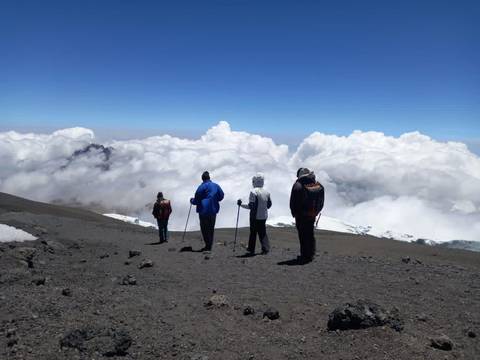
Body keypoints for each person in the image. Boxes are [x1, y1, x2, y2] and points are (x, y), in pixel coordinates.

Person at [289, 168, 324, 263]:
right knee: (310, 234)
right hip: (312, 214)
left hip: (301, 215)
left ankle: (305, 255)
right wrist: (316, 211)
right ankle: (311, 254)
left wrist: (294, 212)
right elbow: (321, 201)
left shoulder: (298, 185)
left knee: (303, 235)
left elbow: (293, 201)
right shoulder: (318, 185)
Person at [237, 173, 272, 256]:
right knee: (262, 232)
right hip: (264, 216)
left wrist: (240, 205)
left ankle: (251, 249)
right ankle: (265, 248)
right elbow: (269, 205)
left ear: (254, 181)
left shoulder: (253, 192)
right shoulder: (267, 192)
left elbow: (251, 206)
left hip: (255, 216)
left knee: (253, 232)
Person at [190, 171, 224, 252]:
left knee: (204, 229)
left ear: (202, 179)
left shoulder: (201, 187)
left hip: (203, 211)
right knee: (211, 228)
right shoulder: (216, 186)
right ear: (209, 177)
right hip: (213, 210)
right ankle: (210, 245)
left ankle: (207, 245)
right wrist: (215, 199)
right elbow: (221, 196)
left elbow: (197, 199)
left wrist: (192, 201)